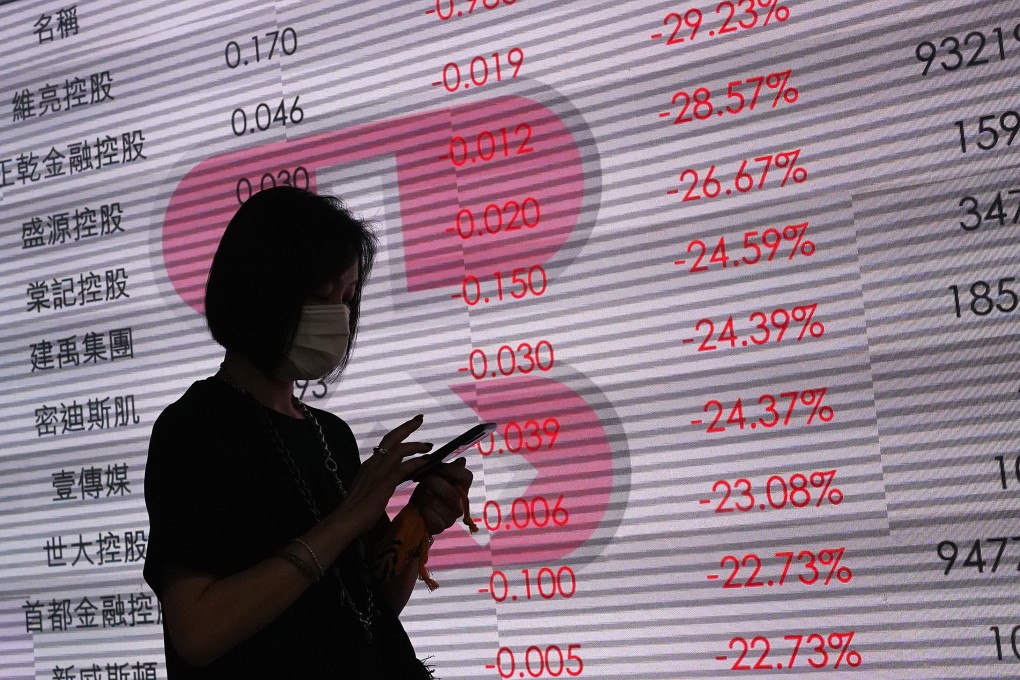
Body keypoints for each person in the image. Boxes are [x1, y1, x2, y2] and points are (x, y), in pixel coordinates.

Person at [143, 186, 473, 678]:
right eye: (320, 296)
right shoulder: (193, 429)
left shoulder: (330, 434)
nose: (338, 315)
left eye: (348, 298)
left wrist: (417, 523)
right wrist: (346, 520)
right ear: (260, 291)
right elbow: (198, 632)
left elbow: (369, 608)